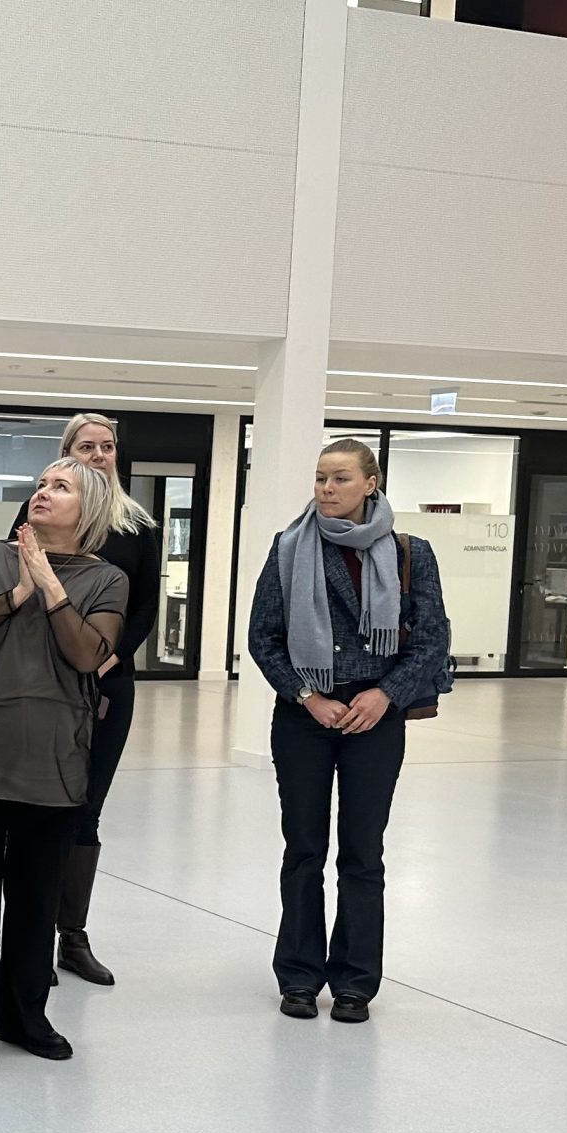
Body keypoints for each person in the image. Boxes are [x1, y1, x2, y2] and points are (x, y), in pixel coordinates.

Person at [0, 459, 130, 1072]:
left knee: (37, 897)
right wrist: (18, 591)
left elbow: (88, 654)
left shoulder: (107, 580)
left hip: (55, 759)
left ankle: (23, 1016)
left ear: (88, 509)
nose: (43, 493)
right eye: (42, 484)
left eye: (60, 487)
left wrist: (50, 588)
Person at [247, 438, 451, 1024]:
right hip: (304, 715)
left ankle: (356, 982)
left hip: (375, 716)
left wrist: (386, 693)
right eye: (320, 478)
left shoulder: (411, 552)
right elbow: (263, 636)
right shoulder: (289, 546)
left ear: (370, 483)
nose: (327, 489)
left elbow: (432, 637)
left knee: (363, 853)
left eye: (339, 478)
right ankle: (298, 977)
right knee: (303, 849)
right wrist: (307, 696)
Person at [6, 414, 161, 986]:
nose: (99, 454)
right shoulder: (36, 516)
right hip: (42, 679)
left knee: (85, 807)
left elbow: (144, 606)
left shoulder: (137, 525)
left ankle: (71, 936)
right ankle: (28, 935)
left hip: (107, 681)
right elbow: (15, 586)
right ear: (66, 453)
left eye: (107, 446)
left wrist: (109, 655)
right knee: (34, 806)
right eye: (86, 446)